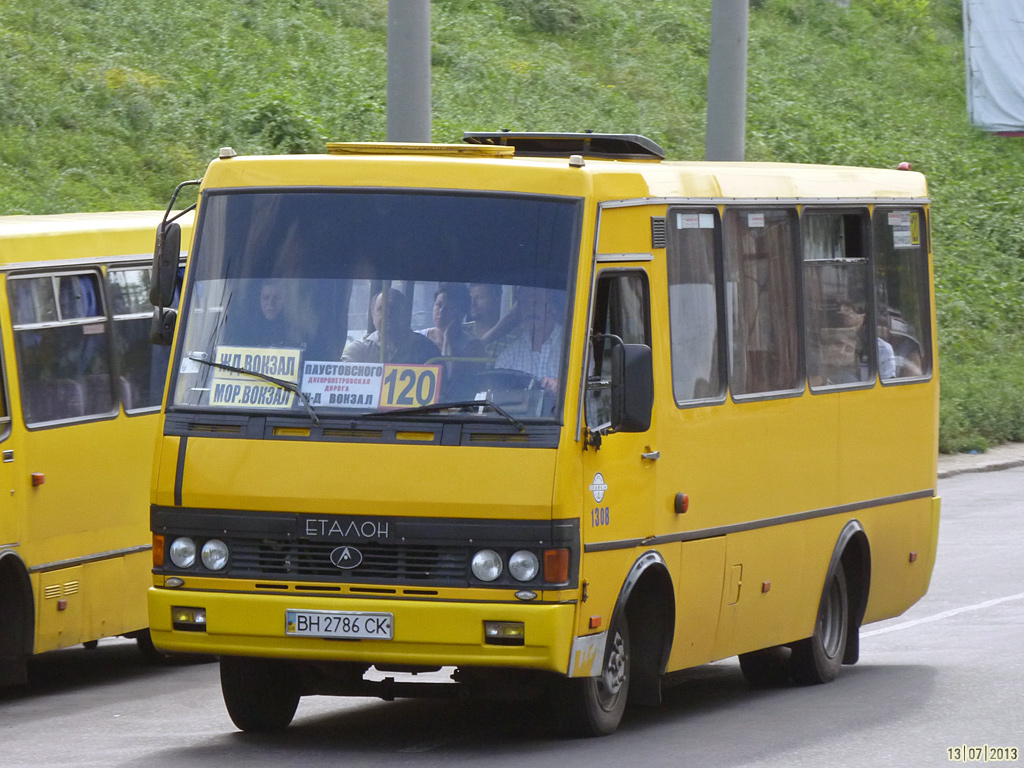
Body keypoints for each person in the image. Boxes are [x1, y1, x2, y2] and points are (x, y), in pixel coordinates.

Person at [494, 286, 564, 395]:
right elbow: (496, 396)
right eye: (525, 304)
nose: (530, 309)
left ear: (551, 305)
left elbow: (586, 391)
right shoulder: (509, 355)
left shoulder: (574, 347)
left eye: (536, 303)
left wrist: (562, 387)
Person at [342, 288, 439, 364]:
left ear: (405, 314)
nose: (387, 313)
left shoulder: (427, 349)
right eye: (381, 308)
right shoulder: (358, 351)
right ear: (372, 315)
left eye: (394, 308)